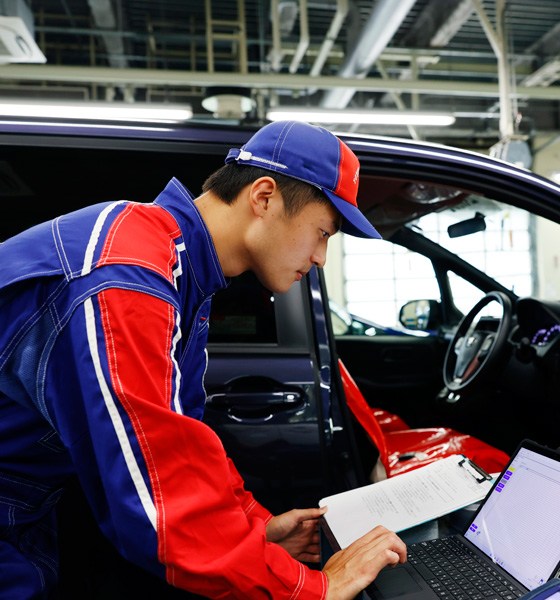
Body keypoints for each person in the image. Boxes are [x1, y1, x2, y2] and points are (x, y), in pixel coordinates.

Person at [0, 120, 406, 599]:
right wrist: (314, 589)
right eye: (322, 232)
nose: (320, 257)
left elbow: (180, 444)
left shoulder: (181, 270)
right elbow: (154, 504)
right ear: (264, 196)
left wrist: (257, 526)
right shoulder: (127, 276)